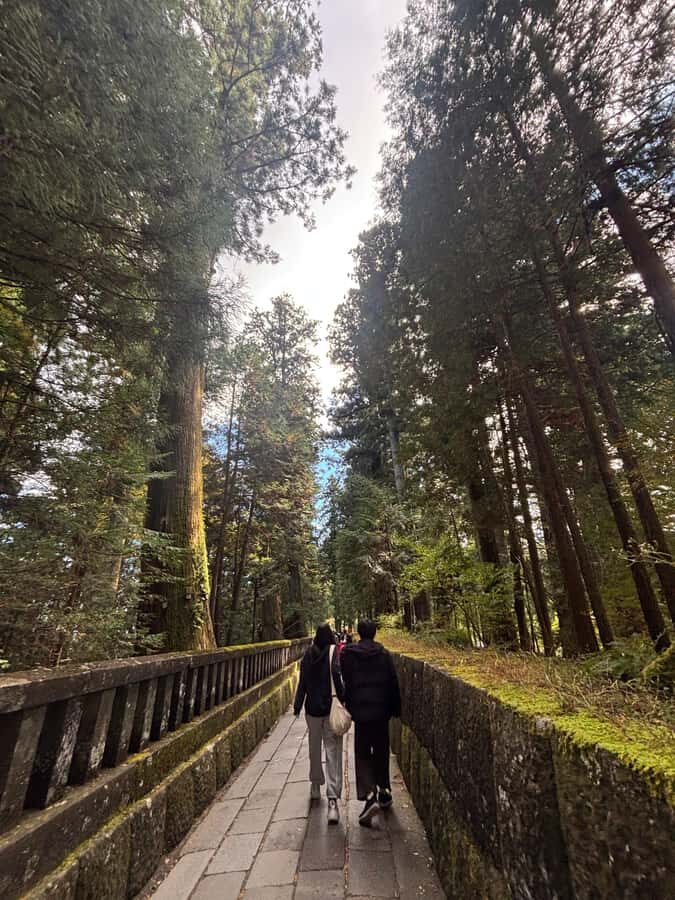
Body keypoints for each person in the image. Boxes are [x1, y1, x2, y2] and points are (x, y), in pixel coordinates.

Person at [341, 619, 401, 826]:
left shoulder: (349, 654)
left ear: (359, 633)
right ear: (375, 633)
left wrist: (349, 703)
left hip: (361, 712)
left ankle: (369, 795)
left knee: (363, 752)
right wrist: (395, 709)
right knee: (382, 750)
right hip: (381, 711)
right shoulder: (383, 655)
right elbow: (393, 682)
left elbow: (346, 680)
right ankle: (384, 790)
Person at [293, 623, 345, 823]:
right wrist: (344, 699)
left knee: (314, 749)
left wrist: (298, 705)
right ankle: (332, 800)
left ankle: (315, 786)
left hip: (312, 711)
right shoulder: (333, 653)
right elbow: (338, 679)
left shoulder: (307, 655)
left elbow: (302, 682)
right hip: (330, 710)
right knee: (333, 751)